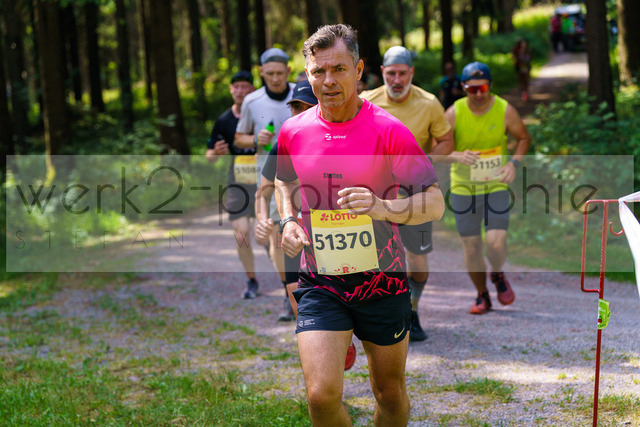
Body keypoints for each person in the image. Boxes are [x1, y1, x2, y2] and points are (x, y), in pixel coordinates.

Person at [275, 24, 444, 425]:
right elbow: (285, 180)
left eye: (338, 69)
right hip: (320, 280)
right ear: (307, 74)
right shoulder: (294, 131)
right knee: (320, 397)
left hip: (382, 281)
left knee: (389, 393)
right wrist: (287, 220)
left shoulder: (388, 130)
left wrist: (383, 207)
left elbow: (435, 203)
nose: (328, 81)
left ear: (358, 69)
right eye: (318, 72)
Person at [360, 46, 454, 342]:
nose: (397, 80)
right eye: (391, 73)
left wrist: (421, 163)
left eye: (403, 73)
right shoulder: (366, 101)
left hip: (416, 194)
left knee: (418, 259)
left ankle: (412, 311)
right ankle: (378, 313)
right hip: (376, 192)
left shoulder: (429, 103)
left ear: (411, 72)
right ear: (382, 73)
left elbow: (446, 140)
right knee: (373, 256)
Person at [444, 62, 530, 315]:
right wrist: (455, 155)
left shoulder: (505, 110)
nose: (479, 94)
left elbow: (523, 138)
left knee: (496, 242)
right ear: (463, 88)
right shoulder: (454, 113)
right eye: (472, 89)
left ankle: (497, 273)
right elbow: (436, 149)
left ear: (490, 86)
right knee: (471, 248)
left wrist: (514, 163)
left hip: (495, 186)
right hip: (464, 190)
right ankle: (482, 294)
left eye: (483, 88)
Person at [235, 47, 295, 300]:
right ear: (261, 72)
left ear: (288, 71)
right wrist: (254, 139)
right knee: (277, 238)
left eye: (280, 73)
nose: (276, 78)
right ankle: (289, 293)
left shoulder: (301, 94)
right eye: (270, 73)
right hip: (269, 177)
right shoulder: (252, 101)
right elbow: (238, 138)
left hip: (303, 176)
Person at [205, 71, 258, 297]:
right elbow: (209, 155)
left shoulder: (261, 113)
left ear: (252, 90)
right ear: (230, 90)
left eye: (245, 86)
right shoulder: (224, 120)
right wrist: (216, 153)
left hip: (265, 182)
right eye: (236, 87)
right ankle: (252, 280)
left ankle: (288, 282)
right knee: (242, 235)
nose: (240, 91)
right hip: (237, 185)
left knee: (268, 236)